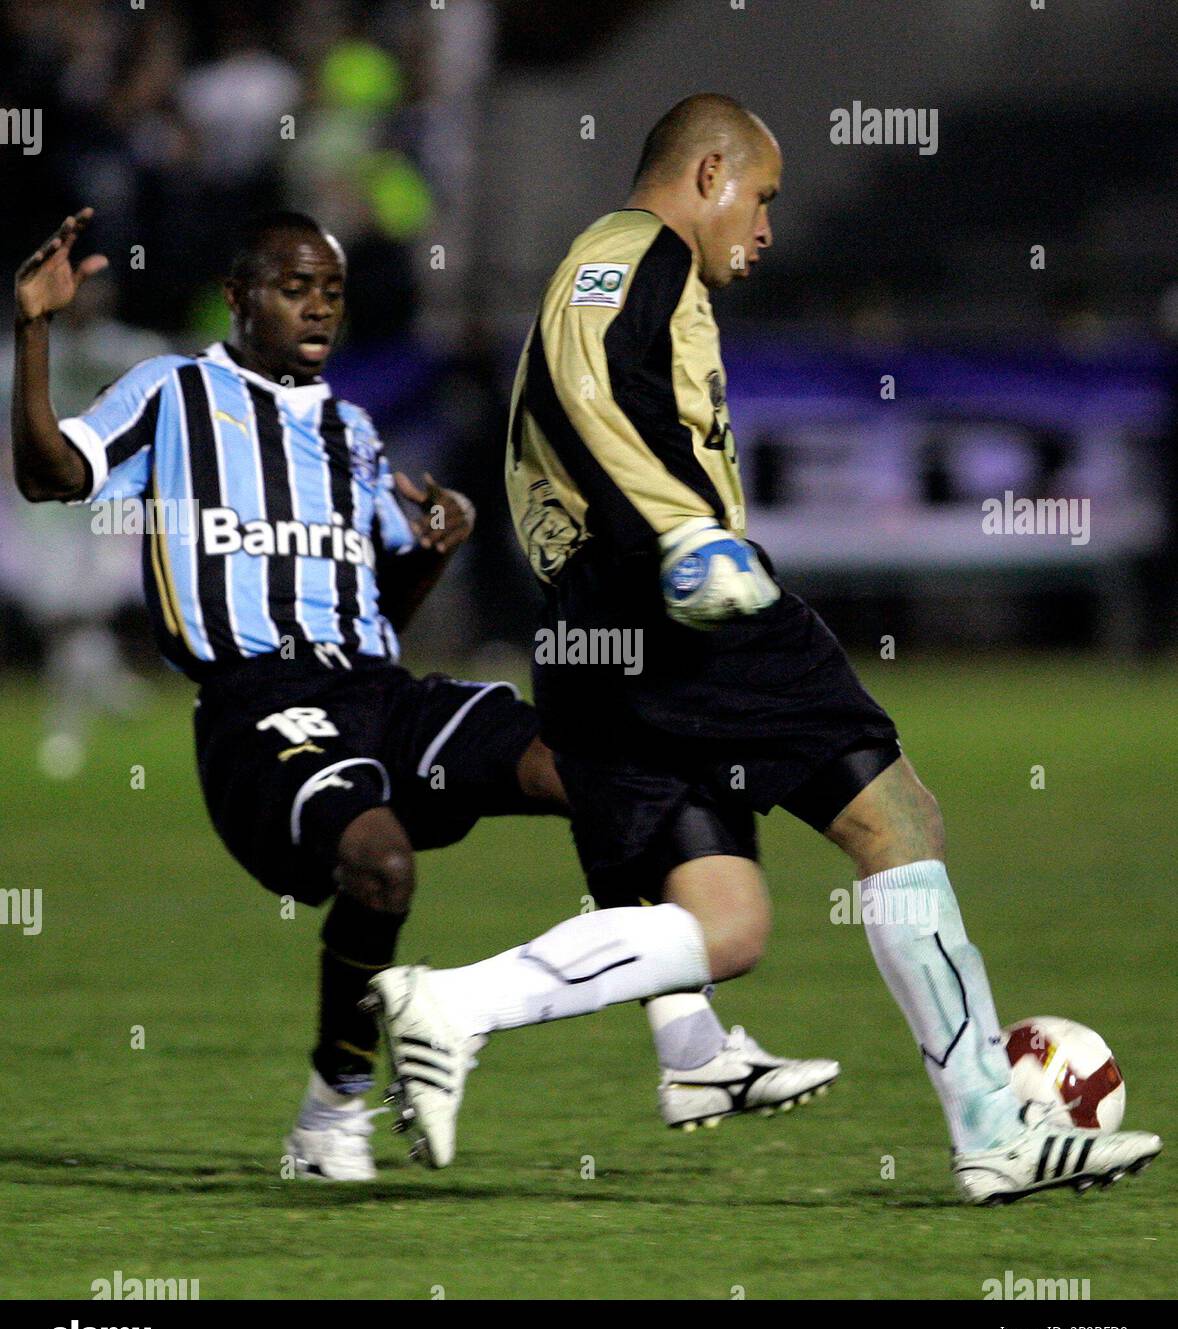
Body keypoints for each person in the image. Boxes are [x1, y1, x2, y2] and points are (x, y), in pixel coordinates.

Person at [368, 95, 1161, 1204]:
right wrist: (686, 532)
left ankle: (456, 1005)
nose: (768, 227)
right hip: (674, 607)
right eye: (763, 197)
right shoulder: (627, 249)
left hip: (594, 633)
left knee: (720, 925)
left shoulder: (649, 275)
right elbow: (578, 380)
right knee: (895, 818)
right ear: (705, 173)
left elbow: (554, 422)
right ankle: (993, 1127)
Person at [11, 204, 831, 1181]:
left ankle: (689, 1047)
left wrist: (433, 550)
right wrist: (32, 325)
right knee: (382, 868)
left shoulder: (351, 429)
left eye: (330, 293)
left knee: (598, 761)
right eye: (292, 288)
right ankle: (331, 1113)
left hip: (375, 689)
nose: (316, 310)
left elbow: (377, 609)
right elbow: (49, 473)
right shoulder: (173, 393)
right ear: (236, 297)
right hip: (256, 707)